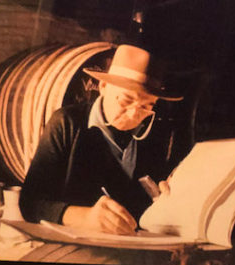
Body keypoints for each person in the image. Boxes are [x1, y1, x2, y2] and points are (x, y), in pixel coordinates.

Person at [18, 44, 183, 235]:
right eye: (126, 100)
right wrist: (82, 217)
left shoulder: (153, 132)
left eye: (146, 106)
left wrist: (163, 195)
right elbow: (30, 202)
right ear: (103, 87)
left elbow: (149, 194)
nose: (134, 115)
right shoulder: (67, 123)